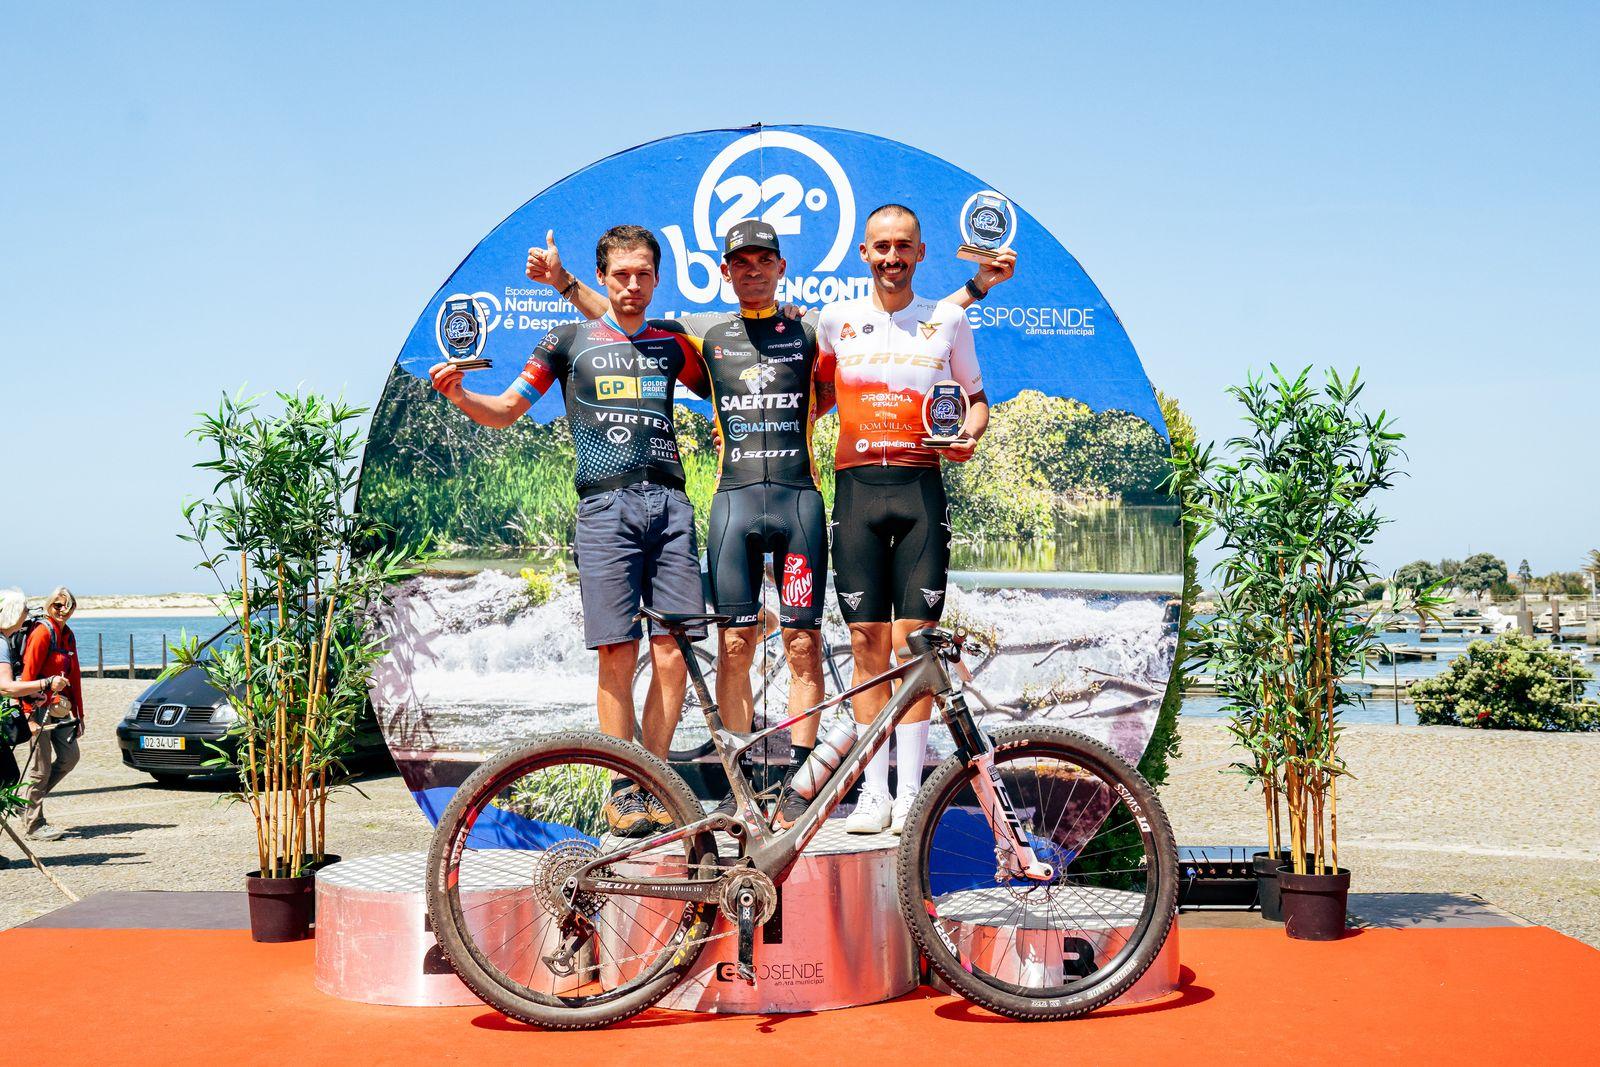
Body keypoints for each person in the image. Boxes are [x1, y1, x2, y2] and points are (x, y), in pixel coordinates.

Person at [532, 222, 1013, 826]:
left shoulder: (813, 329)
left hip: (799, 505)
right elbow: (622, 319)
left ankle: (798, 787)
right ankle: (742, 790)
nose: (753, 271)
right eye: (741, 262)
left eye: (764, 261)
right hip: (732, 505)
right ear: (726, 271)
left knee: (803, 644)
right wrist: (565, 283)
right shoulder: (702, 335)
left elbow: (911, 323)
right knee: (734, 644)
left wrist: (977, 288)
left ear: (781, 268)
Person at [430, 225, 710, 837]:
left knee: (673, 651)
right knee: (618, 650)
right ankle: (623, 788)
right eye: (621, 275)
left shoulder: (672, 343)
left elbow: (736, 385)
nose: (632, 285)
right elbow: (506, 411)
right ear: (603, 277)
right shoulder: (566, 341)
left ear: (657, 279)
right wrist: (459, 395)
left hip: (671, 506)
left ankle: (656, 780)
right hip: (605, 509)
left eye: (643, 274)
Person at [815, 204, 992, 834]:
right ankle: (873, 793)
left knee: (916, 647)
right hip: (856, 492)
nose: (892, 257)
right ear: (864, 253)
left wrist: (969, 436)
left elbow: (976, 400)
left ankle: (912, 793)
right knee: (866, 643)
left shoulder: (949, 320)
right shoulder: (835, 321)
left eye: (903, 246)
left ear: (920, 253)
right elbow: (814, 397)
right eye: (881, 246)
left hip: (920, 492)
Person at [0, 590, 70, 865]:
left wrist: (29, 693)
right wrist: (45, 684)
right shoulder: (2, 642)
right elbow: (5, 686)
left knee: (7, 775)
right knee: (7, 775)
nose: (27, 615)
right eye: (24, 610)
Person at [16, 586, 84, 841]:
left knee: (70, 758)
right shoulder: (42, 632)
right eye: (57, 605)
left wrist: (79, 715)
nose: (63, 610)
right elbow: (28, 676)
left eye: (68, 606)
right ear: (48, 605)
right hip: (39, 706)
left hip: (62, 707)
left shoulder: (68, 635)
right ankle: (34, 825)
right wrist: (28, 715)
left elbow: (75, 677)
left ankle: (25, 803)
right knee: (40, 768)